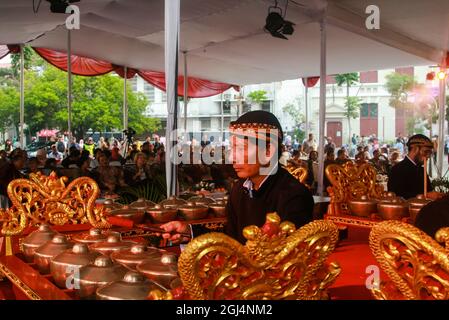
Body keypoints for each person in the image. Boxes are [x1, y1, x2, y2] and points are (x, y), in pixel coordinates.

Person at [160, 110, 314, 244]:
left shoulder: (294, 196)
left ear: (268, 151)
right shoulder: (239, 189)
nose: (233, 157)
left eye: (241, 148)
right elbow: (231, 239)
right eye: (233, 148)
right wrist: (189, 232)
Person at [388, 134, 442, 200]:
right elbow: (396, 196)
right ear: (415, 149)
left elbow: (429, 191)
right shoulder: (397, 170)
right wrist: (426, 195)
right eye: (426, 151)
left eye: (430, 153)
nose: (428, 156)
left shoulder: (422, 170)